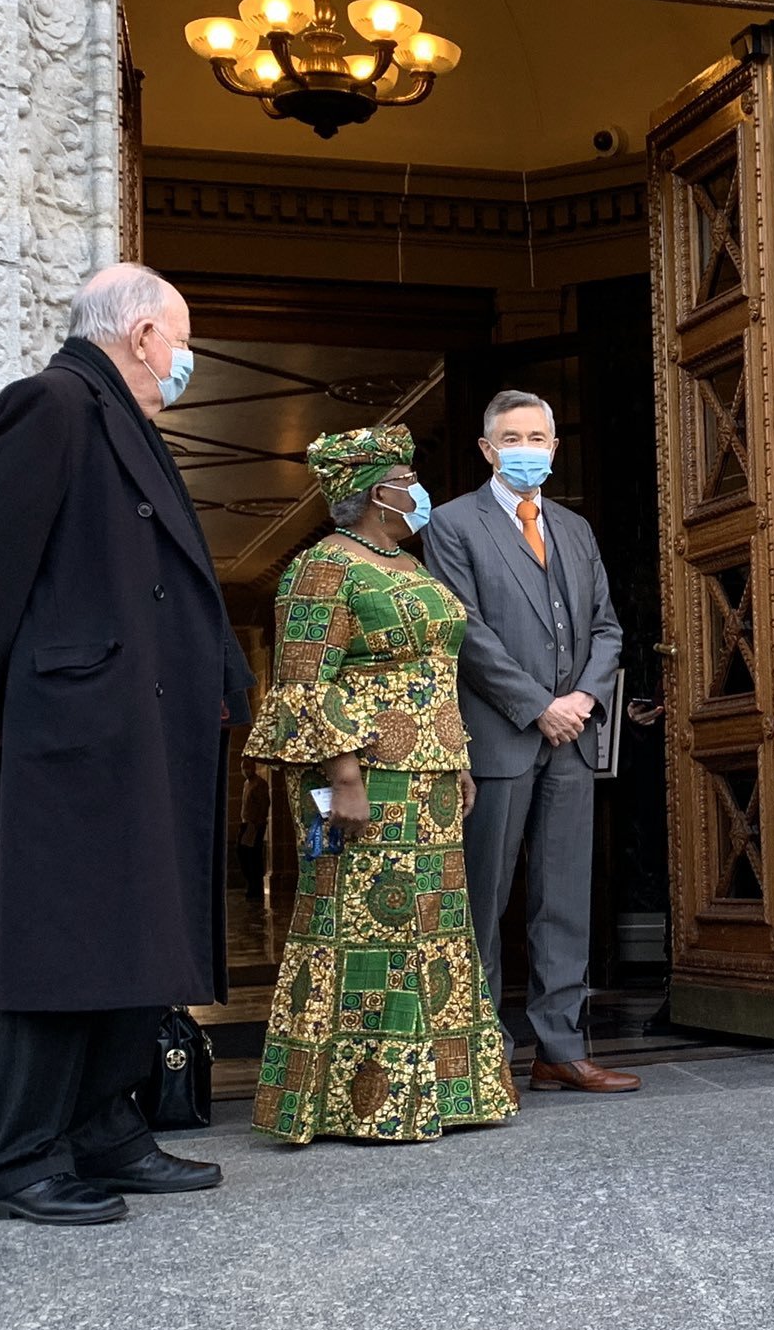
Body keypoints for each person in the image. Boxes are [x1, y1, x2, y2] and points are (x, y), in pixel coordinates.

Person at [0, 263, 252, 1225]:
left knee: (135, 934)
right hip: (75, 729)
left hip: (140, 727)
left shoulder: (124, 417)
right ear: (144, 333)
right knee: (59, 947)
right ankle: (24, 1162)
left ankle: (108, 1133)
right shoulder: (53, 404)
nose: (185, 360)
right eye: (182, 339)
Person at [244, 427, 519, 1144]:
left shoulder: (407, 562)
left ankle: (443, 1095)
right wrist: (343, 778)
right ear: (371, 492)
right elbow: (305, 684)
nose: (416, 487)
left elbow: (435, 675)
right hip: (366, 779)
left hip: (427, 780)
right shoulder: (323, 568)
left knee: (433, 929)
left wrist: (455, 758)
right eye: (405, 477)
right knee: (366, 929)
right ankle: (356, 1104)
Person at [422, 390, 632, 1093]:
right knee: (485, 902)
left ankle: (559, 1049)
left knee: (564, 898)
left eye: (537, 436)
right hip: (500, 739)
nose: (526, 447)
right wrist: (538, 706)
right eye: (511, 436)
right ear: (487, 449)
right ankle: (484, 1060)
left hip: (570, 740)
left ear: (553, 447)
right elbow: (466, 632)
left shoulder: (574, 528)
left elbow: (606, 627)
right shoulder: (452, 526)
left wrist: (582, 699)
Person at [236, 759, 272, 901]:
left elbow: (264, 805)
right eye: (243, 767)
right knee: (242, 854)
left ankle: (255, 888)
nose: (245, 770)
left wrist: (257, 823)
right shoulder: (246, 784)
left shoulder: (260, 784)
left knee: (253, 856)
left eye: (247, 767)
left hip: (254, 825)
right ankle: (251, 884)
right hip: (246, 824)